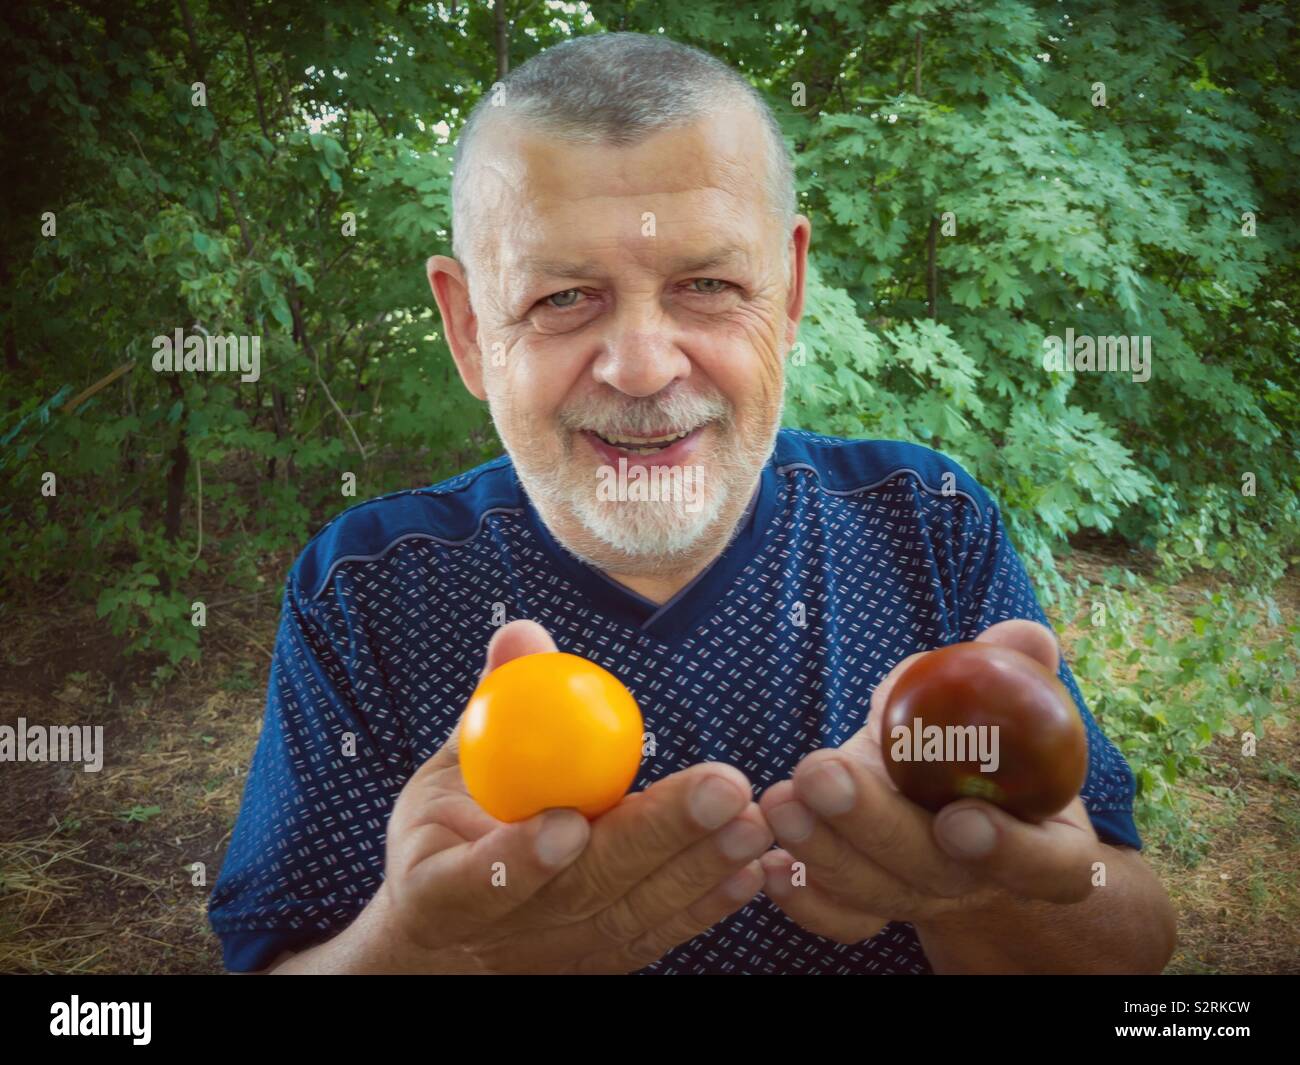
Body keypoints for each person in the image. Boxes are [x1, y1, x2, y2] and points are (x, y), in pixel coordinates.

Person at [208, 31, 1176, 975]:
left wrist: (988, 893)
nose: (641, 366)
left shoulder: (927, 522)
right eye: (561, 298)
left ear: (789, 289)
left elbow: (1130, 934)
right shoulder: (367, 587)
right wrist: (424, 955)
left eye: (707, 285)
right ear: (467, 329)